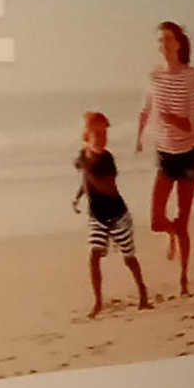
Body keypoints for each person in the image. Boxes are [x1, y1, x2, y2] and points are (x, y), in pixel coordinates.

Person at [135, 20, 194, 297]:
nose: (163, 45)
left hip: (188, 154)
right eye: (160, 40)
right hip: (165, 154)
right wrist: (139, 137)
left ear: (178, 43)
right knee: (156, 220)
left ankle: (183, 279)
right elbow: (146, 108)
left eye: (167, 39)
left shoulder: (191, 76)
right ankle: (172, 233)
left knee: (183, 220)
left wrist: (170, 118)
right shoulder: (154, 76)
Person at [75, 111, 151, 315]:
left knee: (129, 257)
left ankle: (143, 292)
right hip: (97, 216)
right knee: (94, 255)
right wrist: (78, 197)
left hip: (118, 215)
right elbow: (86, 181)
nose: (103, 138)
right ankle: (98, 301)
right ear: (86, 136)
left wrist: (88, 172)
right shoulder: (83, 156)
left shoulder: (107, 159)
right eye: (98, 134)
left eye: (105, 133)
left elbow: (108, 188)